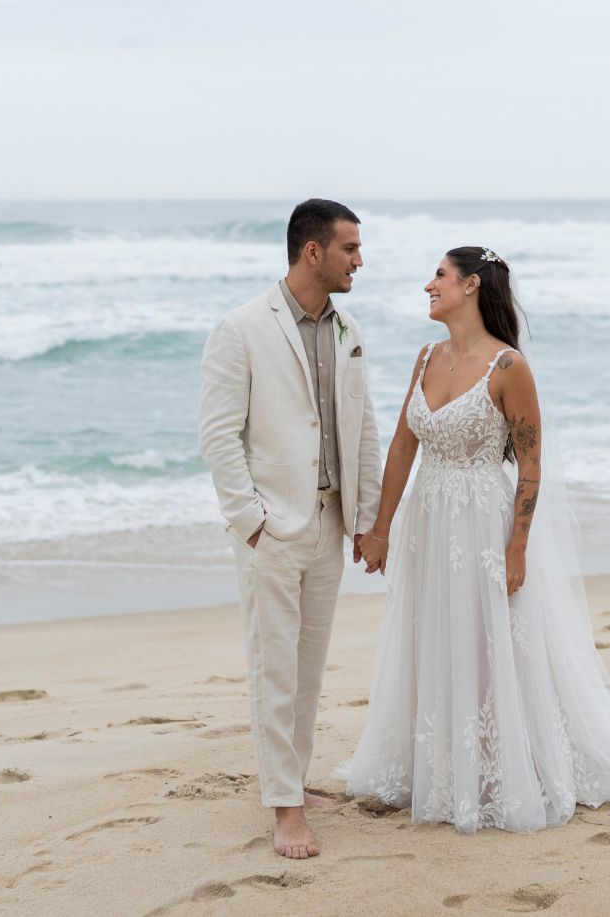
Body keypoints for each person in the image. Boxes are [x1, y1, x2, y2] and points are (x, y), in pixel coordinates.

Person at [341, 246, 610, 833]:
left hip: (483, 523)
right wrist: (381, 529)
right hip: (429, 521)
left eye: (439, 275)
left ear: (471, 285)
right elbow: (402, 447)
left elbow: (530, 465)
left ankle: (497, 769)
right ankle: (438, 767)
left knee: (488, 642)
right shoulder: (425, 357)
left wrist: (516, 547)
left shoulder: (508, 367)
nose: (428, 286)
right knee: (434, 635)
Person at [197, 198, 382, 858]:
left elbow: (362, 428)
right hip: (272, 528)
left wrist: (367, 520)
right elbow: (218, 435)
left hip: (330, 522)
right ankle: (283, 808)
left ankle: (294, 781)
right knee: (273, 668)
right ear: (313, 251)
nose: (359, 260)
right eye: (349, 248)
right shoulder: (241, 327)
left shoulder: (347, 328)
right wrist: (250, 520)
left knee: (307, 668)